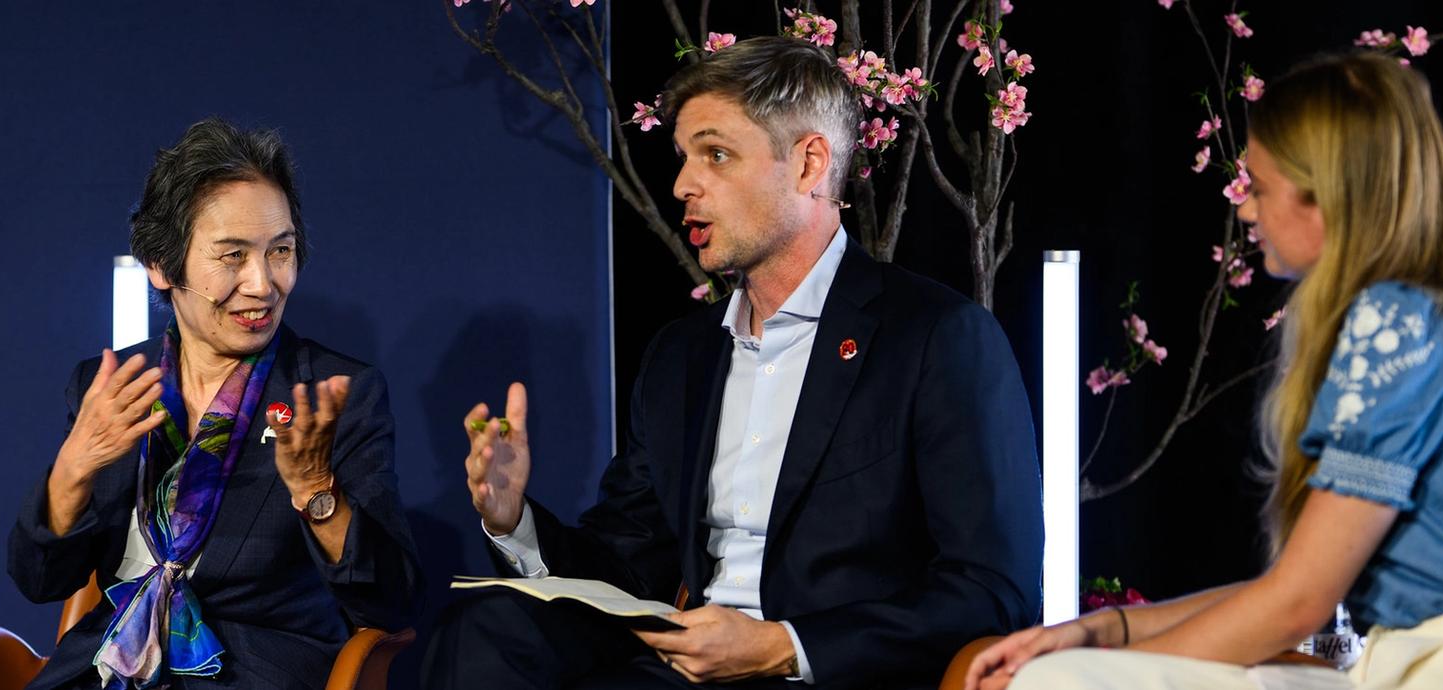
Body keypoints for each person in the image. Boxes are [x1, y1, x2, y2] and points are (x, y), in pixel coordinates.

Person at [422, 36, 1044, 690]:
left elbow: (991, 592)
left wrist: (782, 646)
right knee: (482, 629)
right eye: (684, 157)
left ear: (807, 165)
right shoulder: (680, 356)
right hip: (680, 667)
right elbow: (626, 571)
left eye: (715, 154)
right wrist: (513, 518)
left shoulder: (937, 339)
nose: (682, 184)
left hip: (827, 673)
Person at [965, 51, 1443, 690]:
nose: (1248, 213)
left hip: (1441, 669)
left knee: (1051, 683)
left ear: (1331, 194)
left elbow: (1299, 605)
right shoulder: (1430, 315)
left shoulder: (1395, 322)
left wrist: (1102, 667)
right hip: (1411, 660)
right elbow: (1291, 590)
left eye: (1260, 189)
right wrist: (1105, 630)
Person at [7, 119, 421, 690]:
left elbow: (391, 603)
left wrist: (317, 492)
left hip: (252, 672)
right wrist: (73, 472)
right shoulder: (109, 386)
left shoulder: (335, 393)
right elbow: (40, 580)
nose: (262, 283)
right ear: (161, 265)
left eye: (281, 251)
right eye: (232, 256)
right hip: (104, 670)